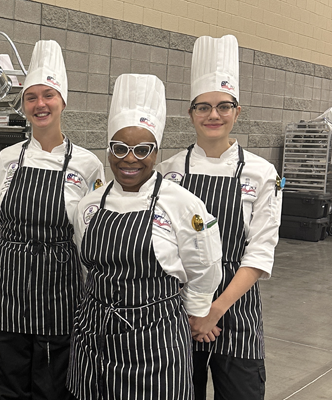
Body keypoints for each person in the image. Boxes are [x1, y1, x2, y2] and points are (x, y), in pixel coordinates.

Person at [66, 74, 223, 399]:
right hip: (94, 334)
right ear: (109, 149)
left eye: (142, 149)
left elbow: (206, 266)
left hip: (157, 339)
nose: (130, 158)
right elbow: (86, 260)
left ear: (155, 151)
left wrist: (198, 312)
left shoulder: (181, 203)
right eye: (120, 148)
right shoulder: (91, 204)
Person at [156, 35, 282, 399]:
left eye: (224, 106)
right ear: (191, 112)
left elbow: (260, 253)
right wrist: (195, 309)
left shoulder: (262, 174)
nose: (214, 115)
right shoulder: (168, 171)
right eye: (203, 107)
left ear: (237, 111)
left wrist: (213, 310)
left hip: (237, 307)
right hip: (179, 308)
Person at [0, 39, 105, 400]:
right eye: (32, 97)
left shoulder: (87, 164)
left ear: (63, 100)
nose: (40, 104)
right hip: (9, 286)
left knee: (52, 387)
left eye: (48, 95)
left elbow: (89, 236)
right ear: (24, 104)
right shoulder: (7, 158)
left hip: (59, 289)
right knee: (6, 384)